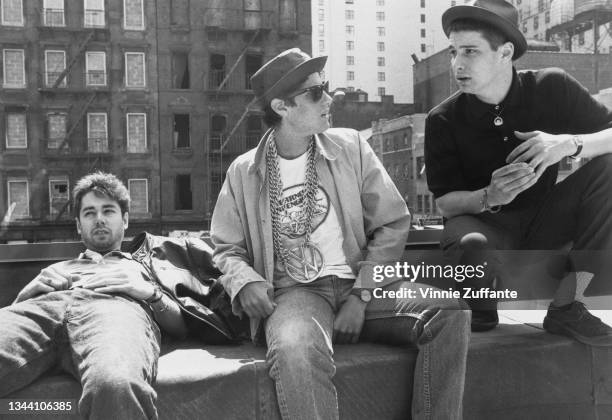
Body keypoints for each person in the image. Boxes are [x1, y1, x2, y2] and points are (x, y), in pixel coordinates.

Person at [211, 48, 470, 420]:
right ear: (282, 107)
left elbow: (393, 223)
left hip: (361, 281)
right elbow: (225, 247)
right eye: (316, 93)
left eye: (326, 87)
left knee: (451, 314)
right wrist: (246, 281)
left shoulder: (350, 147)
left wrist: (361, 296)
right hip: (295, 293)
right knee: (294, 349)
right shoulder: (243, 172)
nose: (329, 99)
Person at [426, 0, 612, 344]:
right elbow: (445, 205)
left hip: (546, 220)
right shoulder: (442, 119)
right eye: (454, 52)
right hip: (485, 226)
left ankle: (569, 307)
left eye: (470, 51)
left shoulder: (552, 86)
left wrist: (567, 144)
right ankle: (479, 308)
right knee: (472, 245)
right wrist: (489, 195)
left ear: (505, 52)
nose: (457, 64)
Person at [0, 172, 188, 419]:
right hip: (46, 306)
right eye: (89, 213)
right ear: (79, 225)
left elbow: (183, 327)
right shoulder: (55, 270)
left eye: (108, 211)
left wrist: (150, 293)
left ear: (126, 220)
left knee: (115, 385)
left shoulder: (147, 266)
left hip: (115, 311)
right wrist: (22, 298)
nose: (99, 219)